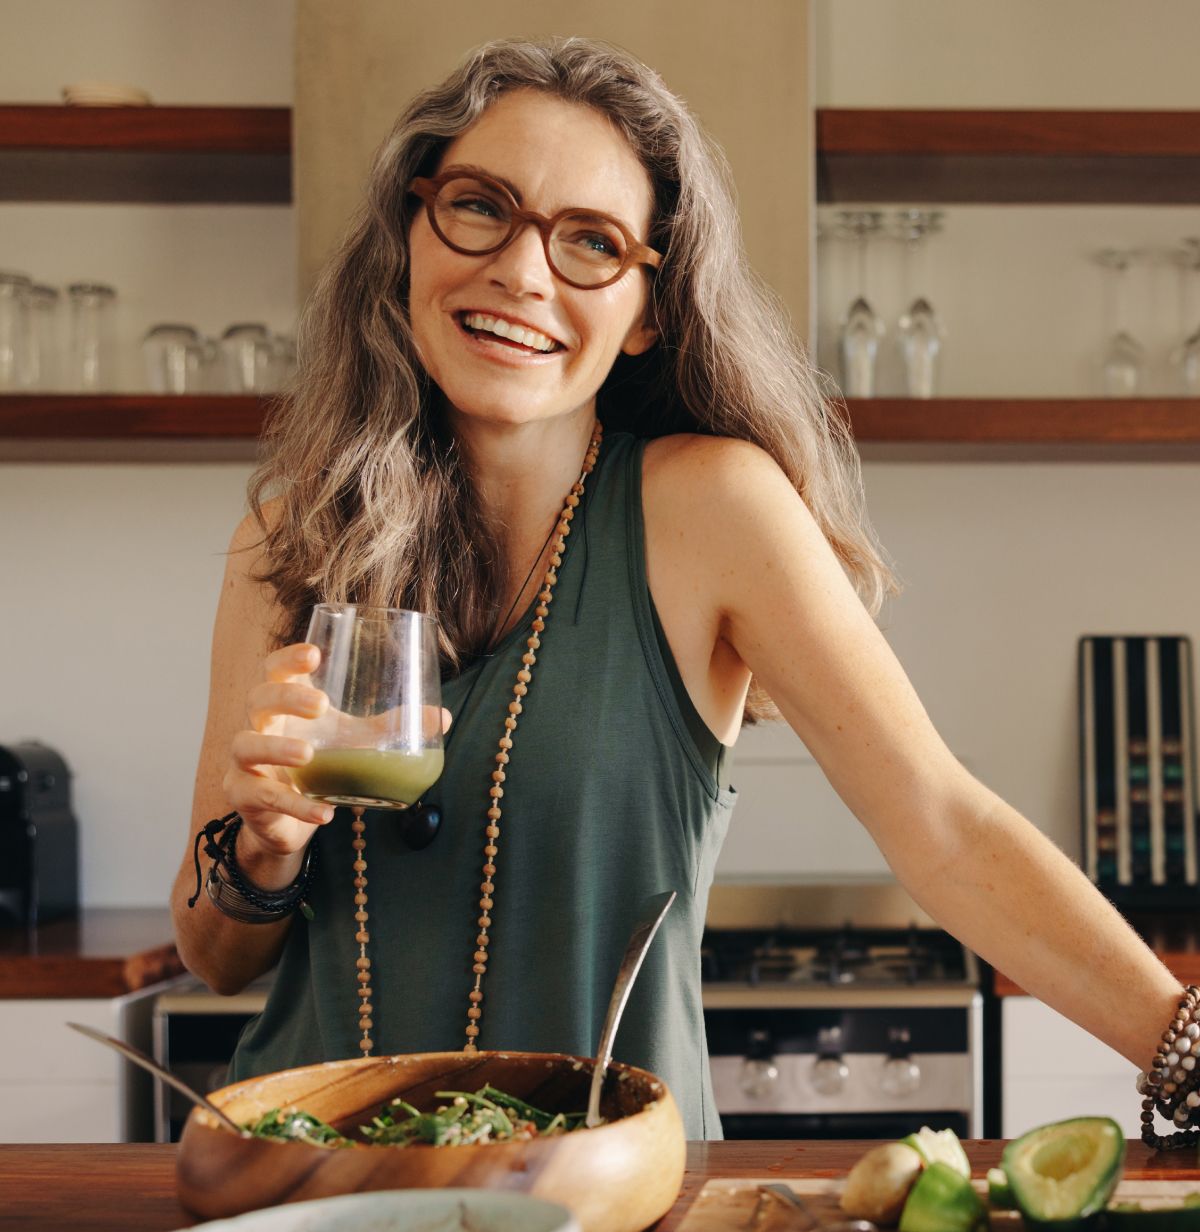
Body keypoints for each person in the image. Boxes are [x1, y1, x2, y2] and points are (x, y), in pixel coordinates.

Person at [170, 35, 1183, 1143]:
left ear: (649, 306)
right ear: (411, 233)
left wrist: (1190, 1051)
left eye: (591, 243)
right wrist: (261, 853)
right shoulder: (291, 536)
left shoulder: (712, 511)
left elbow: (942, 824)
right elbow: (216, 958)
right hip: (315, 1197)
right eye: (479, 207)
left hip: (618, 1210)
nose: (521, 270)